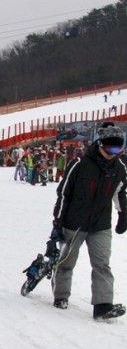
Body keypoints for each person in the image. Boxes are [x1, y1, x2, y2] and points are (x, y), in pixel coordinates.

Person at [50, 122, 127, 320]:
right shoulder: (79, 164)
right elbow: (64, 194)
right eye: (111, 147)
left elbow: (120, 193)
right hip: (75, 222)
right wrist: (58, 221)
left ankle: (103, 306)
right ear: (101, 144)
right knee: (67, 261)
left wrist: (123, 214)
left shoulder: (119, 168)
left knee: (102, 264)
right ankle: (61, 295)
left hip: (100, 224)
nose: (114, 152)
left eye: (119, 148)